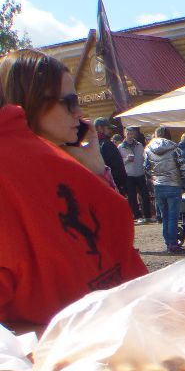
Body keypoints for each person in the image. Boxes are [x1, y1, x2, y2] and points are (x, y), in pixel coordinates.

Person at [0, 48, 146, 327]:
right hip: (78, 343)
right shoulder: (12, 177)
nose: (79, 113)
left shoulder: (62, 168)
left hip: (121, 318)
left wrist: (94, 170)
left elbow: (115, 245)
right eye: (69, 102)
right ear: (29, 102)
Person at [145, 125, 185, 254]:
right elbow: (183, 166)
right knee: (173, 217)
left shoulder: (148, 149)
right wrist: (184, 180)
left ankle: (168, 243)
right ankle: (173, 244)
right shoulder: (175, 148)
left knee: (165, 217)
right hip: (173, 185)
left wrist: (154, 179)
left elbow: (146, 168)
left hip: (158, 186)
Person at [119, 127, 151, 222]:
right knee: (132, 197)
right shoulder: (121, 147)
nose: (130, 136)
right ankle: (137, 216)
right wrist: (126, 160)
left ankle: (147, 216)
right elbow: (119, 162)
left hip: (140, 173)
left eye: (132, 134)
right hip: (129, 175)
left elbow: (144, 158)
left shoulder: (139, 145)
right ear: (125, 134)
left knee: (145, 195)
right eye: (128, 134)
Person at [94, 117, 128, 194]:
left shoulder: (93, 144)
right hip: (113, 184)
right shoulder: (107, 144)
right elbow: (116, 166)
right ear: (100, 128)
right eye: (108, 128)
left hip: (103, 185)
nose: (110, 130)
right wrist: (122, 184)